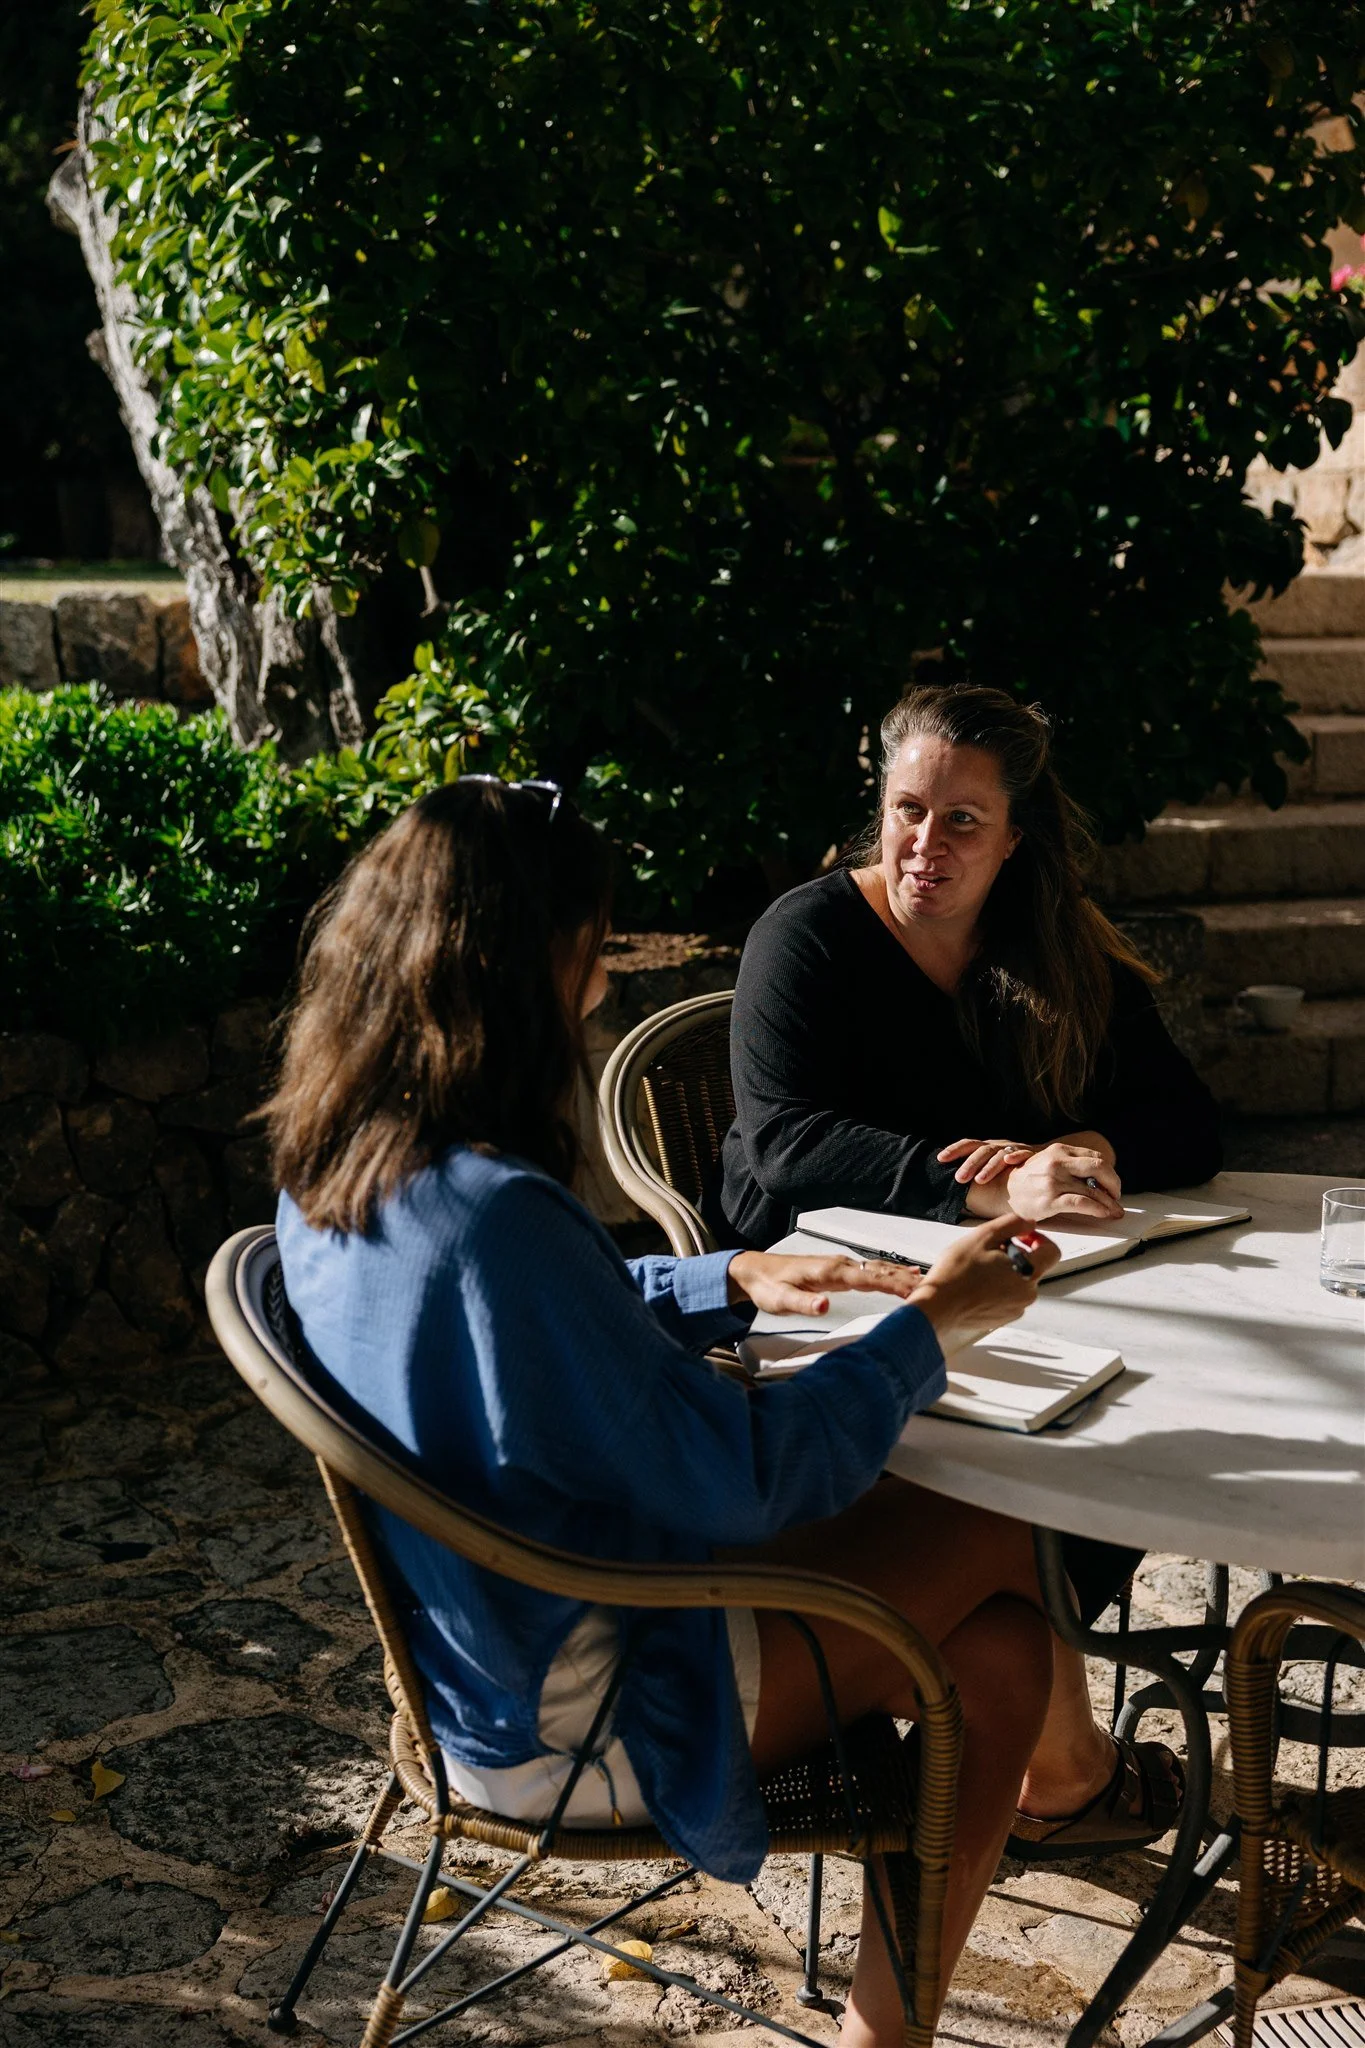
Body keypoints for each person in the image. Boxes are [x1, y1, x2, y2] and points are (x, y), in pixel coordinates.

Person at [266, 777, 1076, 2048]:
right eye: (594, 950)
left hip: (470, 1670)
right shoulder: (501, 1217)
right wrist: (938, 1324)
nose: (600, 986)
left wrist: (722, 1277)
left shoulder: (340, 1173)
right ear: (531, 963)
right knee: (995, 1525)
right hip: (587, 1710)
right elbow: (741, 1474)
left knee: (1007, 1649)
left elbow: (518, 1321)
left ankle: (910, 2000)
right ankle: (1070, 1790)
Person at [709, 680, 1218, 1858]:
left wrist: (1093, 1146)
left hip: (1019, 1296)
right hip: (811, 1301)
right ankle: (1054, 1762)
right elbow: (781, 1140)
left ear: (1016, 839)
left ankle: (1029, 1748)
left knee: (1118, 1436)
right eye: (907, 810)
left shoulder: (1050, 945)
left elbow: (1190, 1122)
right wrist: (984, 1184)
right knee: (1027, 1493)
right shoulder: (810, 932)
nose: (926, 845)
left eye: (963, 821)